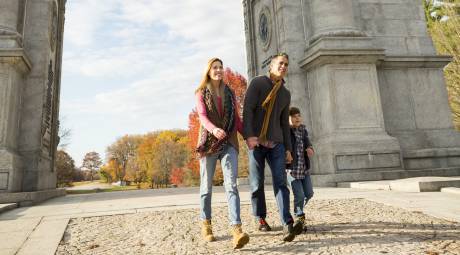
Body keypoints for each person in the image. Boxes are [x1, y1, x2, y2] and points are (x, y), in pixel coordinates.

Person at [243, 53, 302, 242]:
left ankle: (287, 223)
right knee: (256, 184)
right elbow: (248, 109)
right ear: (271, 66)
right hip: (256, 142)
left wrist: (288, 149)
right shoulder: (258, 83)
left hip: (276, 143)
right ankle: (261, 218)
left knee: (280, 183)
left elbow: (285, 123)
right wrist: (249, 136)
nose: (283, 66)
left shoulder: (285, 93)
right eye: (280, 63)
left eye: (286, 64)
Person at [195, 57, 249, 249]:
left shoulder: (229, 92)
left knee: (231, 185)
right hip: (209, 143)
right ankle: (206, 224)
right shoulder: (201, 92)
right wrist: (213, 129)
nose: (218, 70)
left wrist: (248, 136)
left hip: (228, 142)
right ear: (209, 71)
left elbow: (237, 118)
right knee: (206, 187)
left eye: (221, 67)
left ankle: (236, 229)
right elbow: (202, 116)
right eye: (215, 68)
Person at [287, 106, 314, 232]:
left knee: (308, 193)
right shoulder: (286, 131)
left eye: (298, 116)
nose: (297, 118)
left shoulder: (303, 129)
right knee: (299, 195)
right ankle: (299, 218)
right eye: (293, 116)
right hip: (291, 170)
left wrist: (309, 147)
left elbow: (307, 141)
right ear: (288, 119)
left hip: (303, 168)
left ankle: (298, 212)